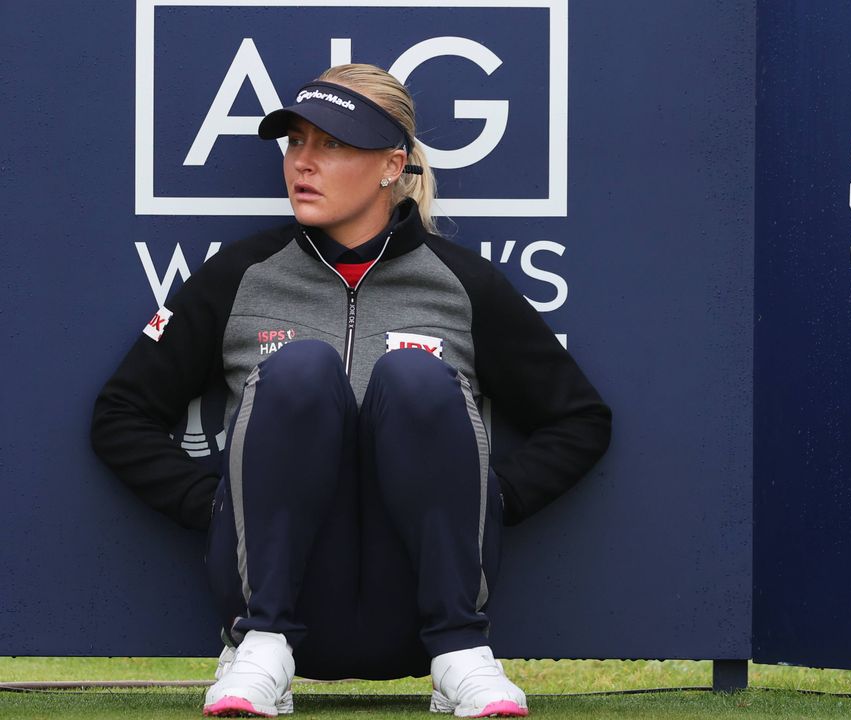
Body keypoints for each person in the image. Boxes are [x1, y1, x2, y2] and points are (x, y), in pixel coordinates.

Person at [90, 63, 611, 718]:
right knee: (301, 368)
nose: (304, 163)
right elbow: (121, 414)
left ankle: (460, 655)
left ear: (392, 165)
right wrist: (219, 503)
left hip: (424, 607)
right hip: (274, 607)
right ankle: (264, 647)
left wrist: (487, 498)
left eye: (332, 144)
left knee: (415, 375)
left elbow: (580, 419)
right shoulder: (241, 276)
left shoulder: (461, 283)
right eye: (296, 142)